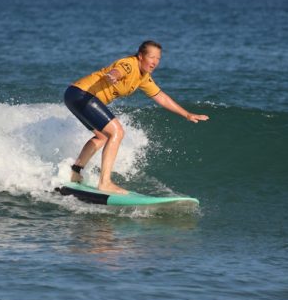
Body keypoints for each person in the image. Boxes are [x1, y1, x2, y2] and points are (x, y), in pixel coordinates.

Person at [64, 41, 209, 194]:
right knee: (117, 132)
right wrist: (113, 76)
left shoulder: (143, 77)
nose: (155, 62)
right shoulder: (130, 64)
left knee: (102, 137)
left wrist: (186, 114)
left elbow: (160, 97)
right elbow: (118, 70)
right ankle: (105, 183)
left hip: (73, 95)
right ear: (141, 56)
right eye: (151, 57)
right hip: (82, 94)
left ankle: (75, 171)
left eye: (158, 58)